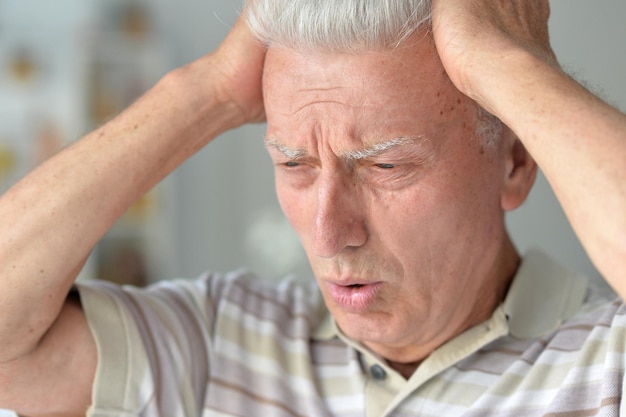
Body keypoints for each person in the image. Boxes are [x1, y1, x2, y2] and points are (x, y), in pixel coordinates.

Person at [1, 0, 625, 415]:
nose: (330, 233)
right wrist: (207, 91)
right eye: (295, 165)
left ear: (514, 161)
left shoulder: (605, 364)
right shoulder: (215, 342)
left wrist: (508, 65)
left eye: (385, 165)